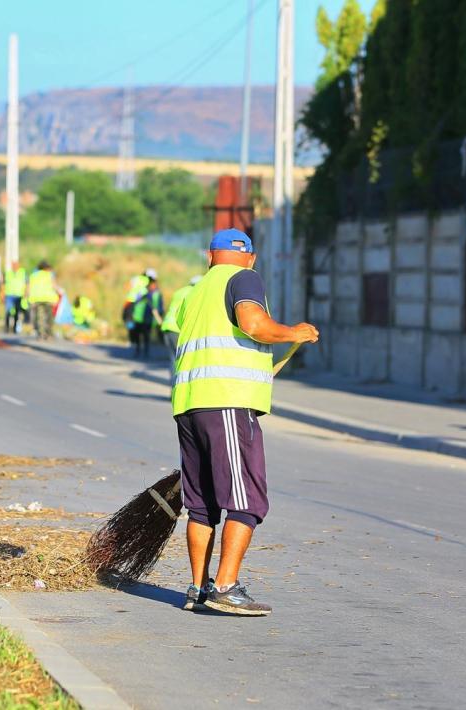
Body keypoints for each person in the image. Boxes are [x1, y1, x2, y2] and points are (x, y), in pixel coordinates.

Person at [172, 228, 318, 616]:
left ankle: (198, 587)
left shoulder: (195, 292)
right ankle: (225, 587)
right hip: (227, 404)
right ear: (251, 257)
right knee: (245, 499)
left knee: (201, 505)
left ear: (210, 256)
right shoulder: (245, 278)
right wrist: (293, 333)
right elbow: (253, 324)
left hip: (189, 405)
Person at [160, 276, 201, 371]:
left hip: (167, 326)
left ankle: (173, 383)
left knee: (172, 358)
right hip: (178, 328)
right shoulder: (194, 292)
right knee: (182, 359)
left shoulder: (179, 291)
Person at [130, 277, 163, 358]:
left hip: (147, 319)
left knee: (146, 335)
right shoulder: (143, 293)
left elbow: (158, 306)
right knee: (137, 335)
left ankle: (145, 351)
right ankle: (138, 350)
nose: (152, 286)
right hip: (138, 318)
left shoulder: (155, 294)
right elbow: (135, 303)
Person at [27, 260, 59, 340]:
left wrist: (27, 297)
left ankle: (41, 334)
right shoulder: (50, 275)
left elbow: (29, 287)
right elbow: (54, 286)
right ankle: (48, 334)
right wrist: (58, 294)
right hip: (48, 299)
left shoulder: (33, 275)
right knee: (49, 318)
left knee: (39, 317)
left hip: (36, 298)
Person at [123, 268, 153, 346]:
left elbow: (127, 286)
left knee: (129, 320)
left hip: (129, 300)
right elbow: (147, 291)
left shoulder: (136, 278)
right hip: (139, 301)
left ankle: (132, 340)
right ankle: (137, 340)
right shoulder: (147, 280)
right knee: (139, 321)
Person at [2, 259, 28, 333]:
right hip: (9, 295)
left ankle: (14, 328)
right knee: (8, 311)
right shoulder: (8, 273)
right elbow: (3, 284)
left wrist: (26, 292)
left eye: (16, 264)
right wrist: (2, 293)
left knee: (17, 312)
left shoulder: (23, 273)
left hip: (19, 295)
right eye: (13, 265)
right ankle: (6, 327)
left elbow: (27, 283)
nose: (14, 266)